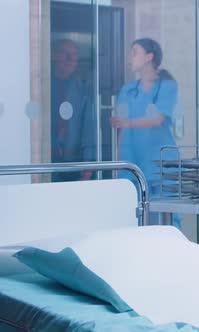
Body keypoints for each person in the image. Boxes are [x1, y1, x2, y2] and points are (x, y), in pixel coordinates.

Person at [112, 38, 179, 227]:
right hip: (132, 159)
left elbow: (157, 119)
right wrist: (120, 161)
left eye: (134, 52)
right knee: (132, 216)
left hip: (160, 162)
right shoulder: (128, 90)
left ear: (149, 57)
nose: (129, 58)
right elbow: (121, 128)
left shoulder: (167, 86)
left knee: (168, 218)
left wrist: (127, 122)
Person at [50, 38, 96, 181]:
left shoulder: (83, 89)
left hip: (74, 162)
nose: (70, 59)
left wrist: (88, 163)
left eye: (75, 55)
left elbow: (89, 126)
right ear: (54, 55)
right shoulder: (43, 85)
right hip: (46, 160)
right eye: (65, 53)